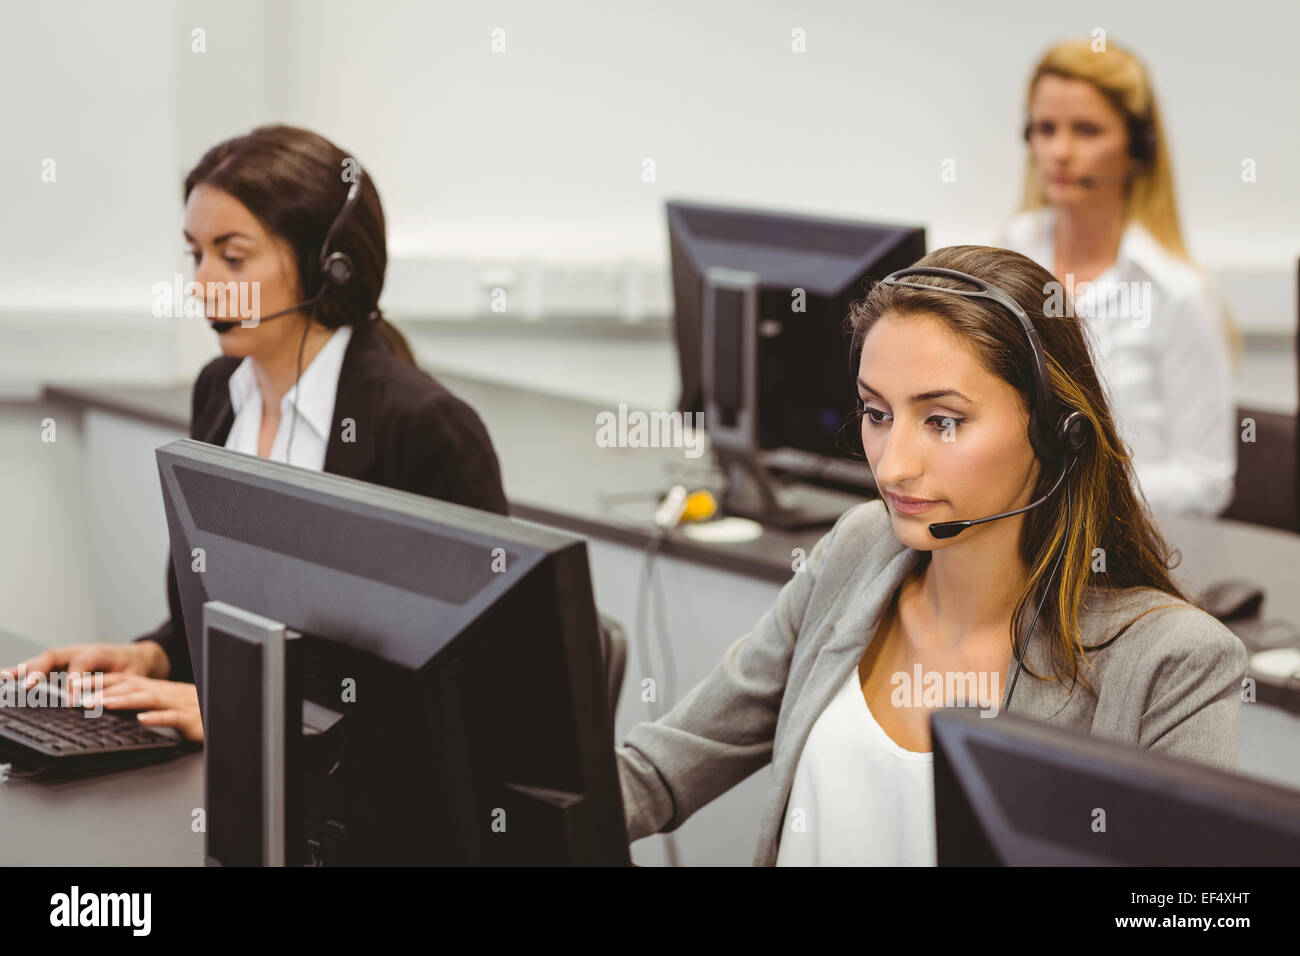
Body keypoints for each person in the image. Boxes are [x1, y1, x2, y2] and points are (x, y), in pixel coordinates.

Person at [615, 245, 1247, 866]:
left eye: (942, 420)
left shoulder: (1171, 661)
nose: (893, 466)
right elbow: (658, 772)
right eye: (876, 413)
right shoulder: (855, 553)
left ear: (1057, 432)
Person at [5, 126, 509, 740]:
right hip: (235, 776)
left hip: (364, 812)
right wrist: (156, 656)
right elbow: (234, 623)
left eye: (233, 257)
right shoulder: (221, 392)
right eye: (196, 254)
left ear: (331, 270)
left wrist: (252, 713)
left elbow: (457, 693)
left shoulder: (425, 430)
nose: (202, 283)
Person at [997, 39, 1237, 517]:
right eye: (1045, 129)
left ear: (1138, 148)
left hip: (1125, 556)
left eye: (1086, 131)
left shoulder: (1179, 294)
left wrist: (1071, 485)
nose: (1060, 152)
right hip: (1010, 538)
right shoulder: (1009, 252)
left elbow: (1206, 482)